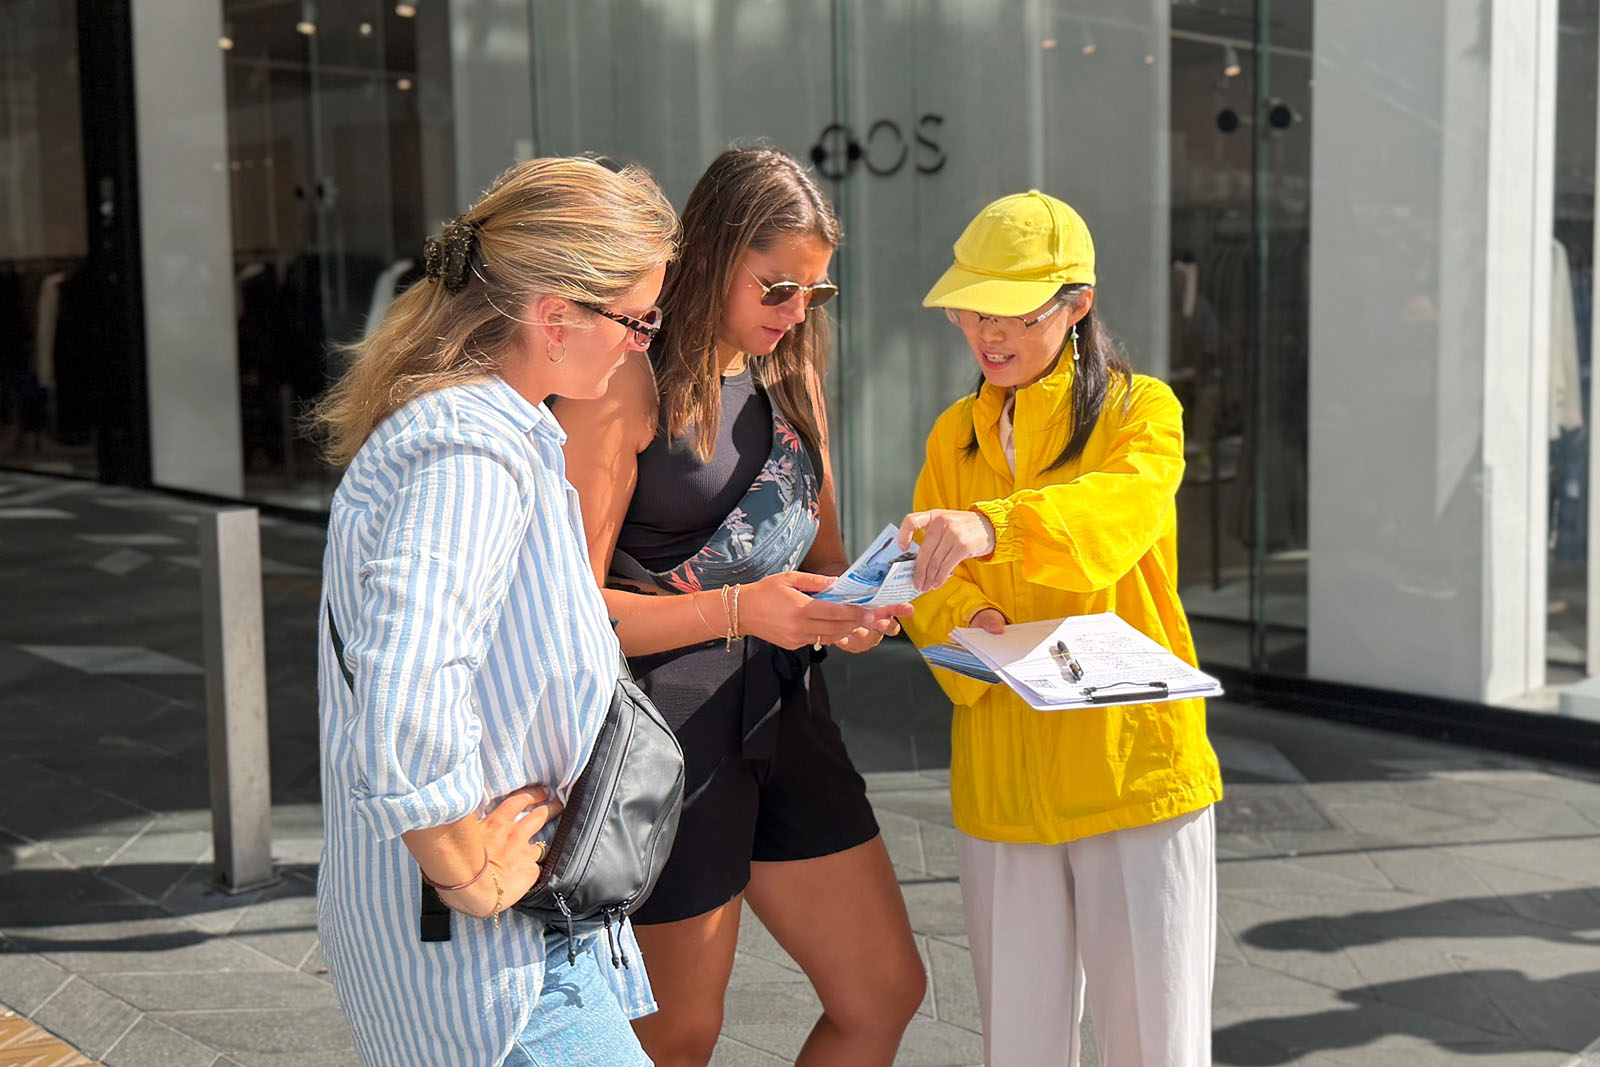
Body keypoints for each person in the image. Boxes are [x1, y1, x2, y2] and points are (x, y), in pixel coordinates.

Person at [554, 146, 925, 1067]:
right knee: (676, 1034)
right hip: (663, 735)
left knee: (882, 991)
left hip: (788, 713)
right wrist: (740, 611)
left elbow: (825, 562)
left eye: (815, 292)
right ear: (715, 257)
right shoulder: (624, 384)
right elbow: (569, 610)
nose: (796, 311)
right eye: (777, 287)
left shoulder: (793, 380)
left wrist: (861, 609)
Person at [310, 156, 678, 1067]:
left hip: (505, 936)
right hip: (491, 957)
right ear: (555, 317)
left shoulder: (489, 430)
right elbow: (406, 682)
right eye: (637, 319)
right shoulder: (469, 452)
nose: (643, 344)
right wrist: (465, 869)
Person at [898, 190, 1223, 1067]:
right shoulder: (953, 436)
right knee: (1019, 1047)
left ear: (1077, 305)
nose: (987, 333)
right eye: (972, 310)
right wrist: (970, 619)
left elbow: (1116, 513)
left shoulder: (1141, 411)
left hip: (1131, 769)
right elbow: (925, 577)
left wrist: (993, 526)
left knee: (1155, 1048)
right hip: (1003, 778)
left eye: (1013, 312)